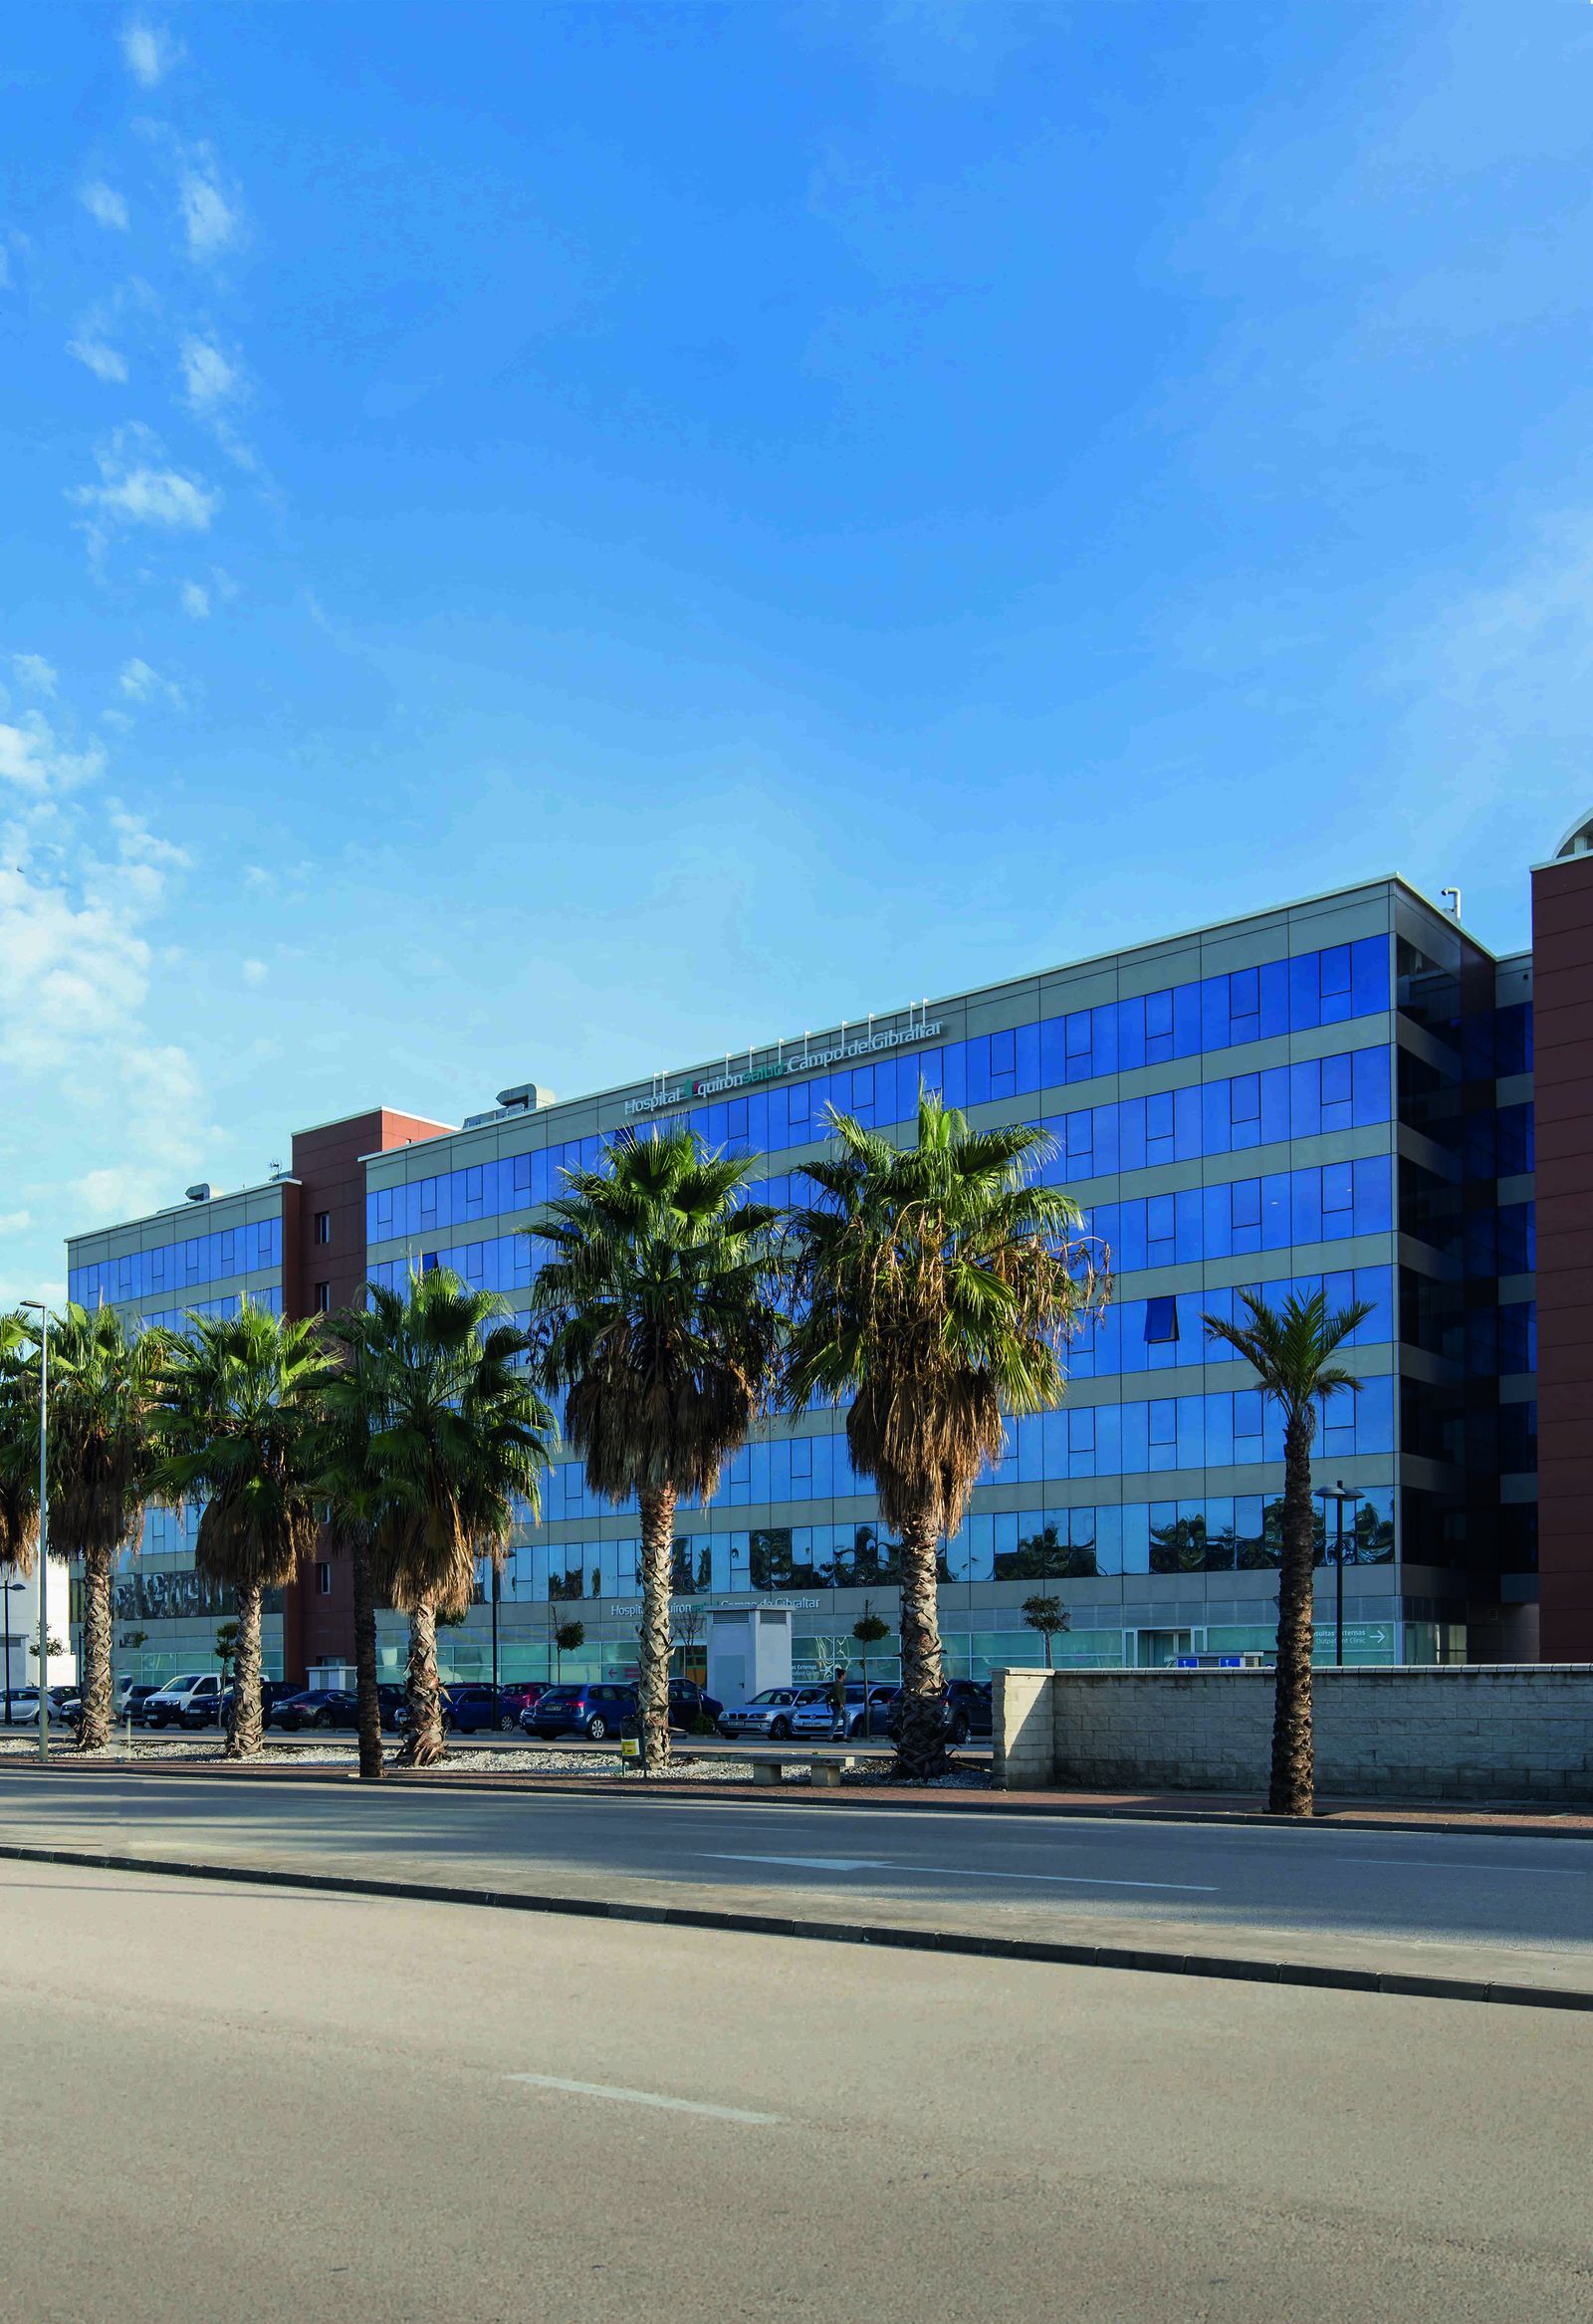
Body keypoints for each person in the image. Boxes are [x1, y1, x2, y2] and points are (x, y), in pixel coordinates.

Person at [828, 1663, 849, 1741]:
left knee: (846, 1719)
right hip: (838, 1705)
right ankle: (830, 1737)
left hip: (842, 1706)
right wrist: (840, 1703)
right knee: (835, 1721)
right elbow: (837, 1694)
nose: (846, 1676)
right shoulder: (837, 1684)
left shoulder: (840, 1684)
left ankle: (845, 1736)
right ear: (842, 1675)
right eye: (845, 1675)